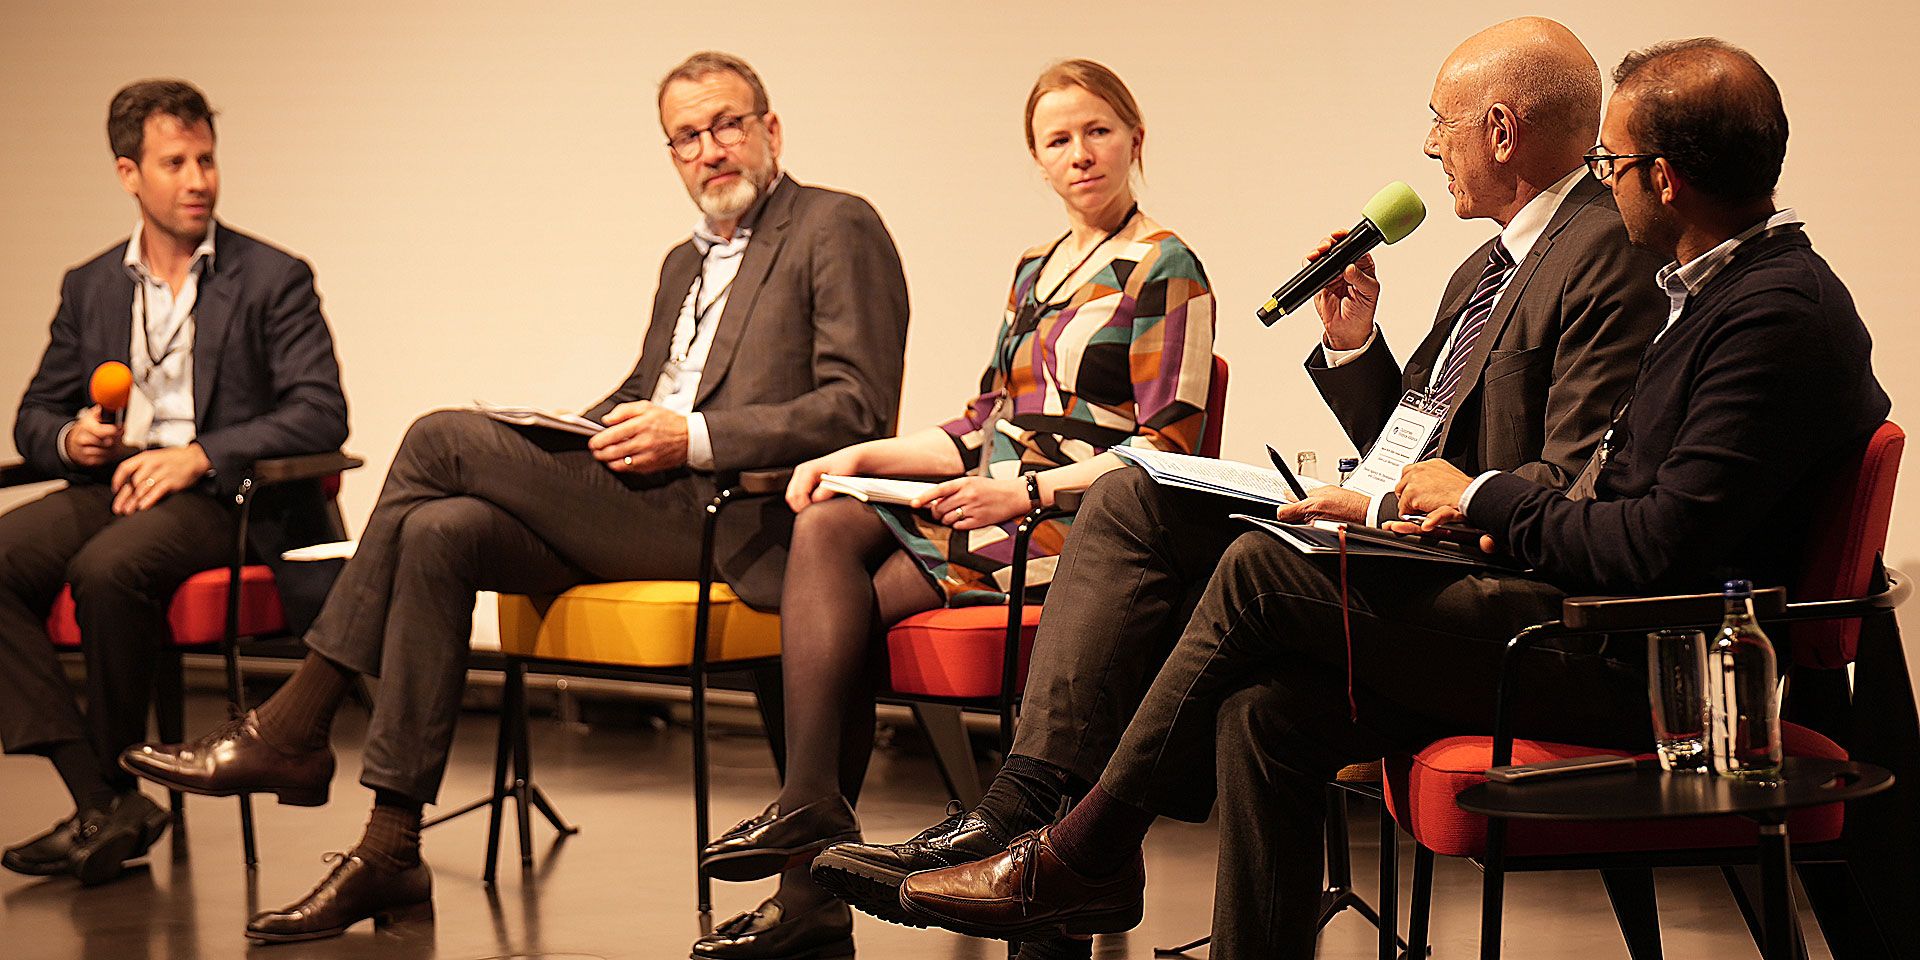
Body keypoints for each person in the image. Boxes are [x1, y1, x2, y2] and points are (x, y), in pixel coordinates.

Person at [893, 37, 1890, 960]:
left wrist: (1477, 501)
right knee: (1259, 705)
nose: (1604, 178)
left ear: (1661, 178)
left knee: (1258, 575)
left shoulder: (1760, 312)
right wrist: (1360, 365)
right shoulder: (1700, 291)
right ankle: (1066, 835)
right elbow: (1444, 453)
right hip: (1561, 599)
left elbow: (1649, 536)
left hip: (1621, 652)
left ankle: (1079, 849)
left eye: (1614, 164)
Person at [120, 51, 910, 943]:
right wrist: (565, 434)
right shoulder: (681, 265)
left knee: (438, 437)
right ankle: (390, 848)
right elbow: (643, 392)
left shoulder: (835, 225)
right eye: (686, 136)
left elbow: (857, 405)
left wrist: (688, 437)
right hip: (647, 499)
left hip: (736, 513)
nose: (709, 149)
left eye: (727, 125)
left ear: (770, 130)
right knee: (443, 531)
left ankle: (297, 720)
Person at [691, 59, 1217, 960]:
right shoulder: (1033, 268)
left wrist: (1030, 489)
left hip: (1080, 520)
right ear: (1038, 160)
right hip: (988, 506)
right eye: (1059, 140)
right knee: (825, 520)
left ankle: (811, 863)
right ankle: (813, 812)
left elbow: (1170, 448)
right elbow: (985, 422)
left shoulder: (1167, 266)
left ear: (1135, 137)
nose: (1081, 154)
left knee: (840, 604)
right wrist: (854, 453)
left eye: (1098, 131)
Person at [0, 79, 348, 887]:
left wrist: (202, 453)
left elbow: (320, 412)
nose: (199, 180)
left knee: (110, 568)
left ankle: (110, 797)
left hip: (224, 496)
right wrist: (71, 437)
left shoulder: (271, 277)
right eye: (175, 163)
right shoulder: (91, 284)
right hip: (114, 484)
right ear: (129, 174)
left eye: (207, 160)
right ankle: (103, 797)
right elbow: (35, 414)